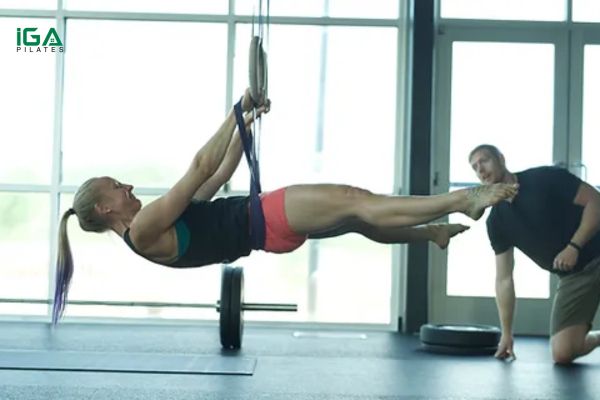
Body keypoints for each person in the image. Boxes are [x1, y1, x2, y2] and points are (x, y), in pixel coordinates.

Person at [52, 90, 518, 323]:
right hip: (267, 217)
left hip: (267, 235)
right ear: (103, 208)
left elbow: (216, 176)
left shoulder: (153, 231)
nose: (127, 185)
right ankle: (464, 199)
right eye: (115, 186)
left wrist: (245, 126)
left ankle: (429, 232)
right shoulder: (146, 226)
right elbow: (198, 165)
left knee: (357, 218)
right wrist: (233, 110)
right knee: (359, 200)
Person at [469, 144, 600, 364]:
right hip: (575, 276)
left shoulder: (543, 178)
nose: (480, 169)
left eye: (485, 160)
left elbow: (596, 201)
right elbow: (504, 279)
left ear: (501, 158)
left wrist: (574, 247)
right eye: (474, 167)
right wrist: (507, 333)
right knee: (562, 352)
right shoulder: (497, 222)